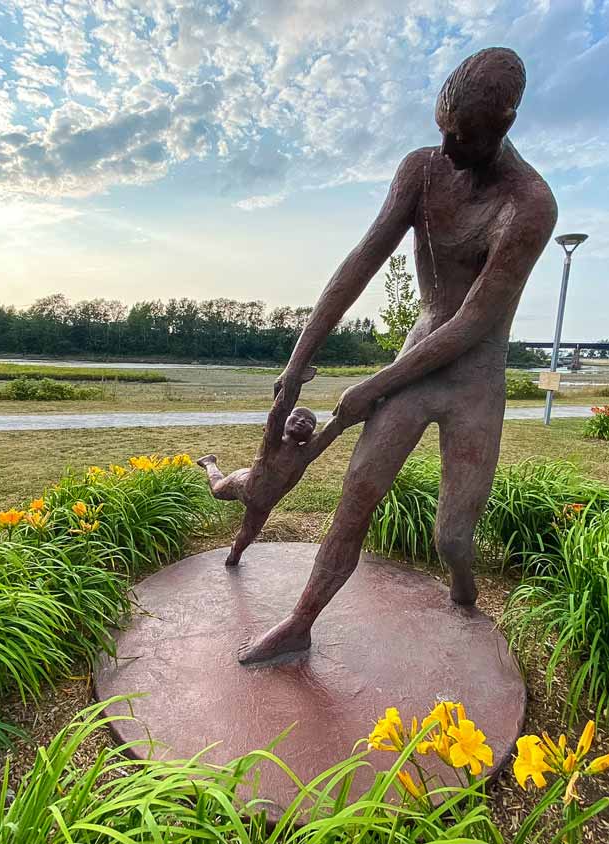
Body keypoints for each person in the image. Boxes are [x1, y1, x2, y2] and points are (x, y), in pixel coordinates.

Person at [239, 47, 557, 664]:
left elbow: (472, 323)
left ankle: (464, 591)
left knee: (452, 536)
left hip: (472, 380)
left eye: (461, 137)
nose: (446, 147)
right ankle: (301, 622)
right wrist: (298, 359)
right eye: (442, 129)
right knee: (357, 492)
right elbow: (361, 262)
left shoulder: (530, 206)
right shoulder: (422, 171)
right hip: (415, 363)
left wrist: (374, 384)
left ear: (506, 123)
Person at [199, 391, 343, 566]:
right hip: (242, 483)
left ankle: (233, 557)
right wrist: (290, 383)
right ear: (284, 423)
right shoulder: (272, 442)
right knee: (217, 490)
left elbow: (332, 430)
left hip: (263, 505)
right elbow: (278, 412)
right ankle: (209, 463)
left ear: (312, 434)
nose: (303, 420)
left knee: (246, 537)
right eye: (298, 415)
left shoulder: (305, 454)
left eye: (310, 422)